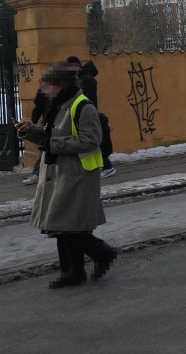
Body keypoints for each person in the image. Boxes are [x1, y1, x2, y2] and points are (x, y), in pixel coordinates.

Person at [15, 65, 115, 289]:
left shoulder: (83, 106)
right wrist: (29, 130)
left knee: (65, 226)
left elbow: (91, 140)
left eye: (47, 86)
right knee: (63, 226)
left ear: (61, 86)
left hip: (77, 175)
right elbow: (48, 136)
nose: (44, 91)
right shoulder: (59, 106)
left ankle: (103, 253)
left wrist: (55, 144)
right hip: (59, 173)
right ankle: (73, 272)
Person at [66, 56, 115, 179]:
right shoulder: (80, 79)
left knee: (92, 141)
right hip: (84, 113)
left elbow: (86, 98)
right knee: (89, 141)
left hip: (88, 114)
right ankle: (102, 166)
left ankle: (107, 167)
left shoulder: (86, 79)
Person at [21, 87, 48, 186]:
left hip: (57, 124)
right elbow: (38, 107)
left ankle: (38, 174)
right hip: (48, 124)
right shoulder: (45, 90)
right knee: (45, 148)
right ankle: (37, 174)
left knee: (46, 149)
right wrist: (33, 123)